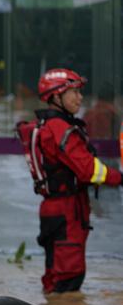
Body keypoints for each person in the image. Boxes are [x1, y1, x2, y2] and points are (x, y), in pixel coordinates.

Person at [25, 69, 122, 293]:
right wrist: (119, 177)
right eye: (74, 92)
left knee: (55, 277)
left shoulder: (48, 124)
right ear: (56, 97)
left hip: (57, 210)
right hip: (67, 212)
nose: (80, 98)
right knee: (67, 280)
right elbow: (88, 170)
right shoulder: (60, 129)